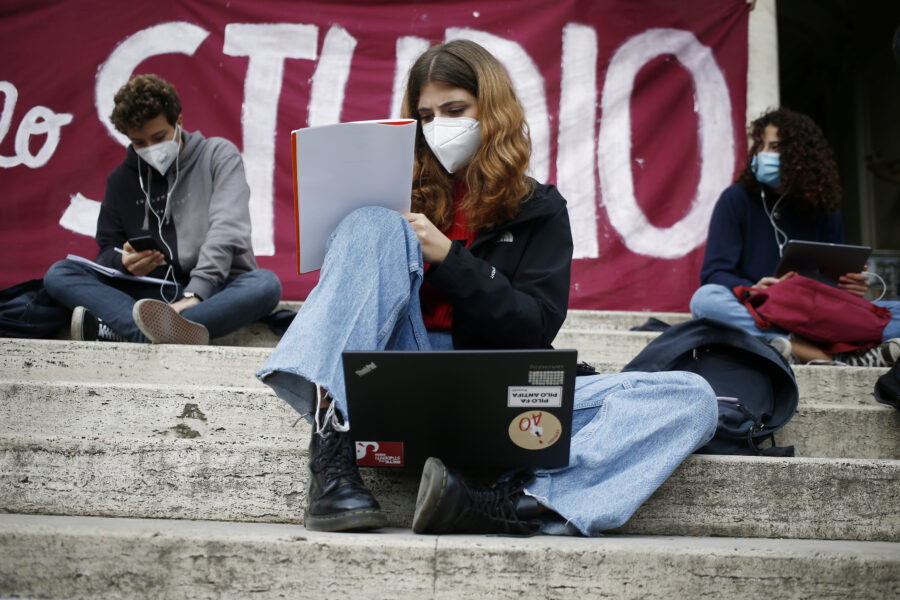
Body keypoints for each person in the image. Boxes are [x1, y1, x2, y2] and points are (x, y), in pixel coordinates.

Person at [257, 40, 717, 536]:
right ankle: (332, 454)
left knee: (692, 397)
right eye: (426, 115)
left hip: (494, 389)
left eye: (454, 110)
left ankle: (508, 505)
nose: (439, 128)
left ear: (492, 110)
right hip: (393, 379)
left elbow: (532, 330)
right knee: (371, 222)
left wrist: (451, 260)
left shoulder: (539, 208)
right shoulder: (396, 193)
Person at [44, 74, 282, 344]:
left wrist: (195, 295)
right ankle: (157, 332)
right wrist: (124, 262)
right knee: (60, 273)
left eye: (158, 137)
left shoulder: (217, 155)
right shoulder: (121, 180)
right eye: (139, 143)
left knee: (264, 285)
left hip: (213, 291)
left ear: (178, 121)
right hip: (149, 296)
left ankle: (134, 333)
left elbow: (227, 230)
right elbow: (107, 250)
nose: (151, 149)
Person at [691, 107, 900, 367]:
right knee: (705, 300)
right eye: (760, 146)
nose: (763, 154)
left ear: (802, 155)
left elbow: (831, 277)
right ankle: (821, 351)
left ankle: (796, 345)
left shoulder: (824, 207)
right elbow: (714, 274)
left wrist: (848, 288)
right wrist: (753, 287)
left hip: (812, 312)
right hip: (759, 308)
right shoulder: (735, 199)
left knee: (895, 311)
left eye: (775, 147)